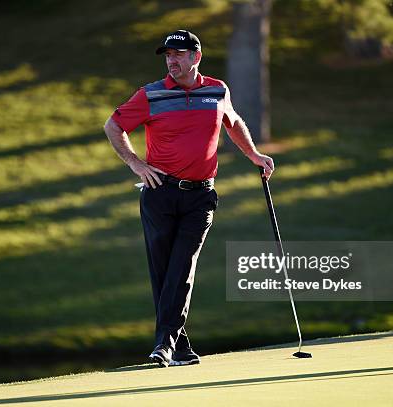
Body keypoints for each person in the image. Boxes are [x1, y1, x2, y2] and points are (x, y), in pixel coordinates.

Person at [103, 30, 274, 367]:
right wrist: (137, 164)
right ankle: (180, 348)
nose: (172, 61)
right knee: (164, 272)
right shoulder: (150, 94)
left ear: (196, 57)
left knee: (182, 266)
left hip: (200, 196)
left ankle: (163, 345)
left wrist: (253, 154)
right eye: (167, 55)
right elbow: (113, 126)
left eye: (178, 54)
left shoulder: (217, 89)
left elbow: (234, 122)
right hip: (160, 193)